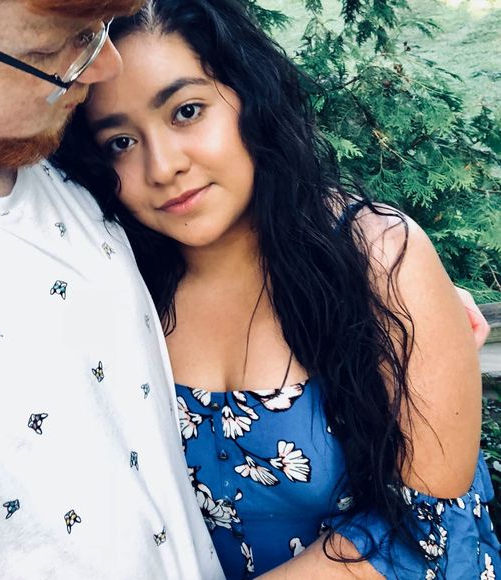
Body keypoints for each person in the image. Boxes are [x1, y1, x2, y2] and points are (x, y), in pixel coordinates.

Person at [54, 0, 500, 578]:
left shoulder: (376, 257)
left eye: (186, 111)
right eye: (120, 142)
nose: (162, 167)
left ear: (249, 96)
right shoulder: (119, 286)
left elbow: (429, 522)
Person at [0, 1, 225, 579]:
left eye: (96, 32)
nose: (105, 65)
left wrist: (367, 252)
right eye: (50, 47)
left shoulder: (67, 160)